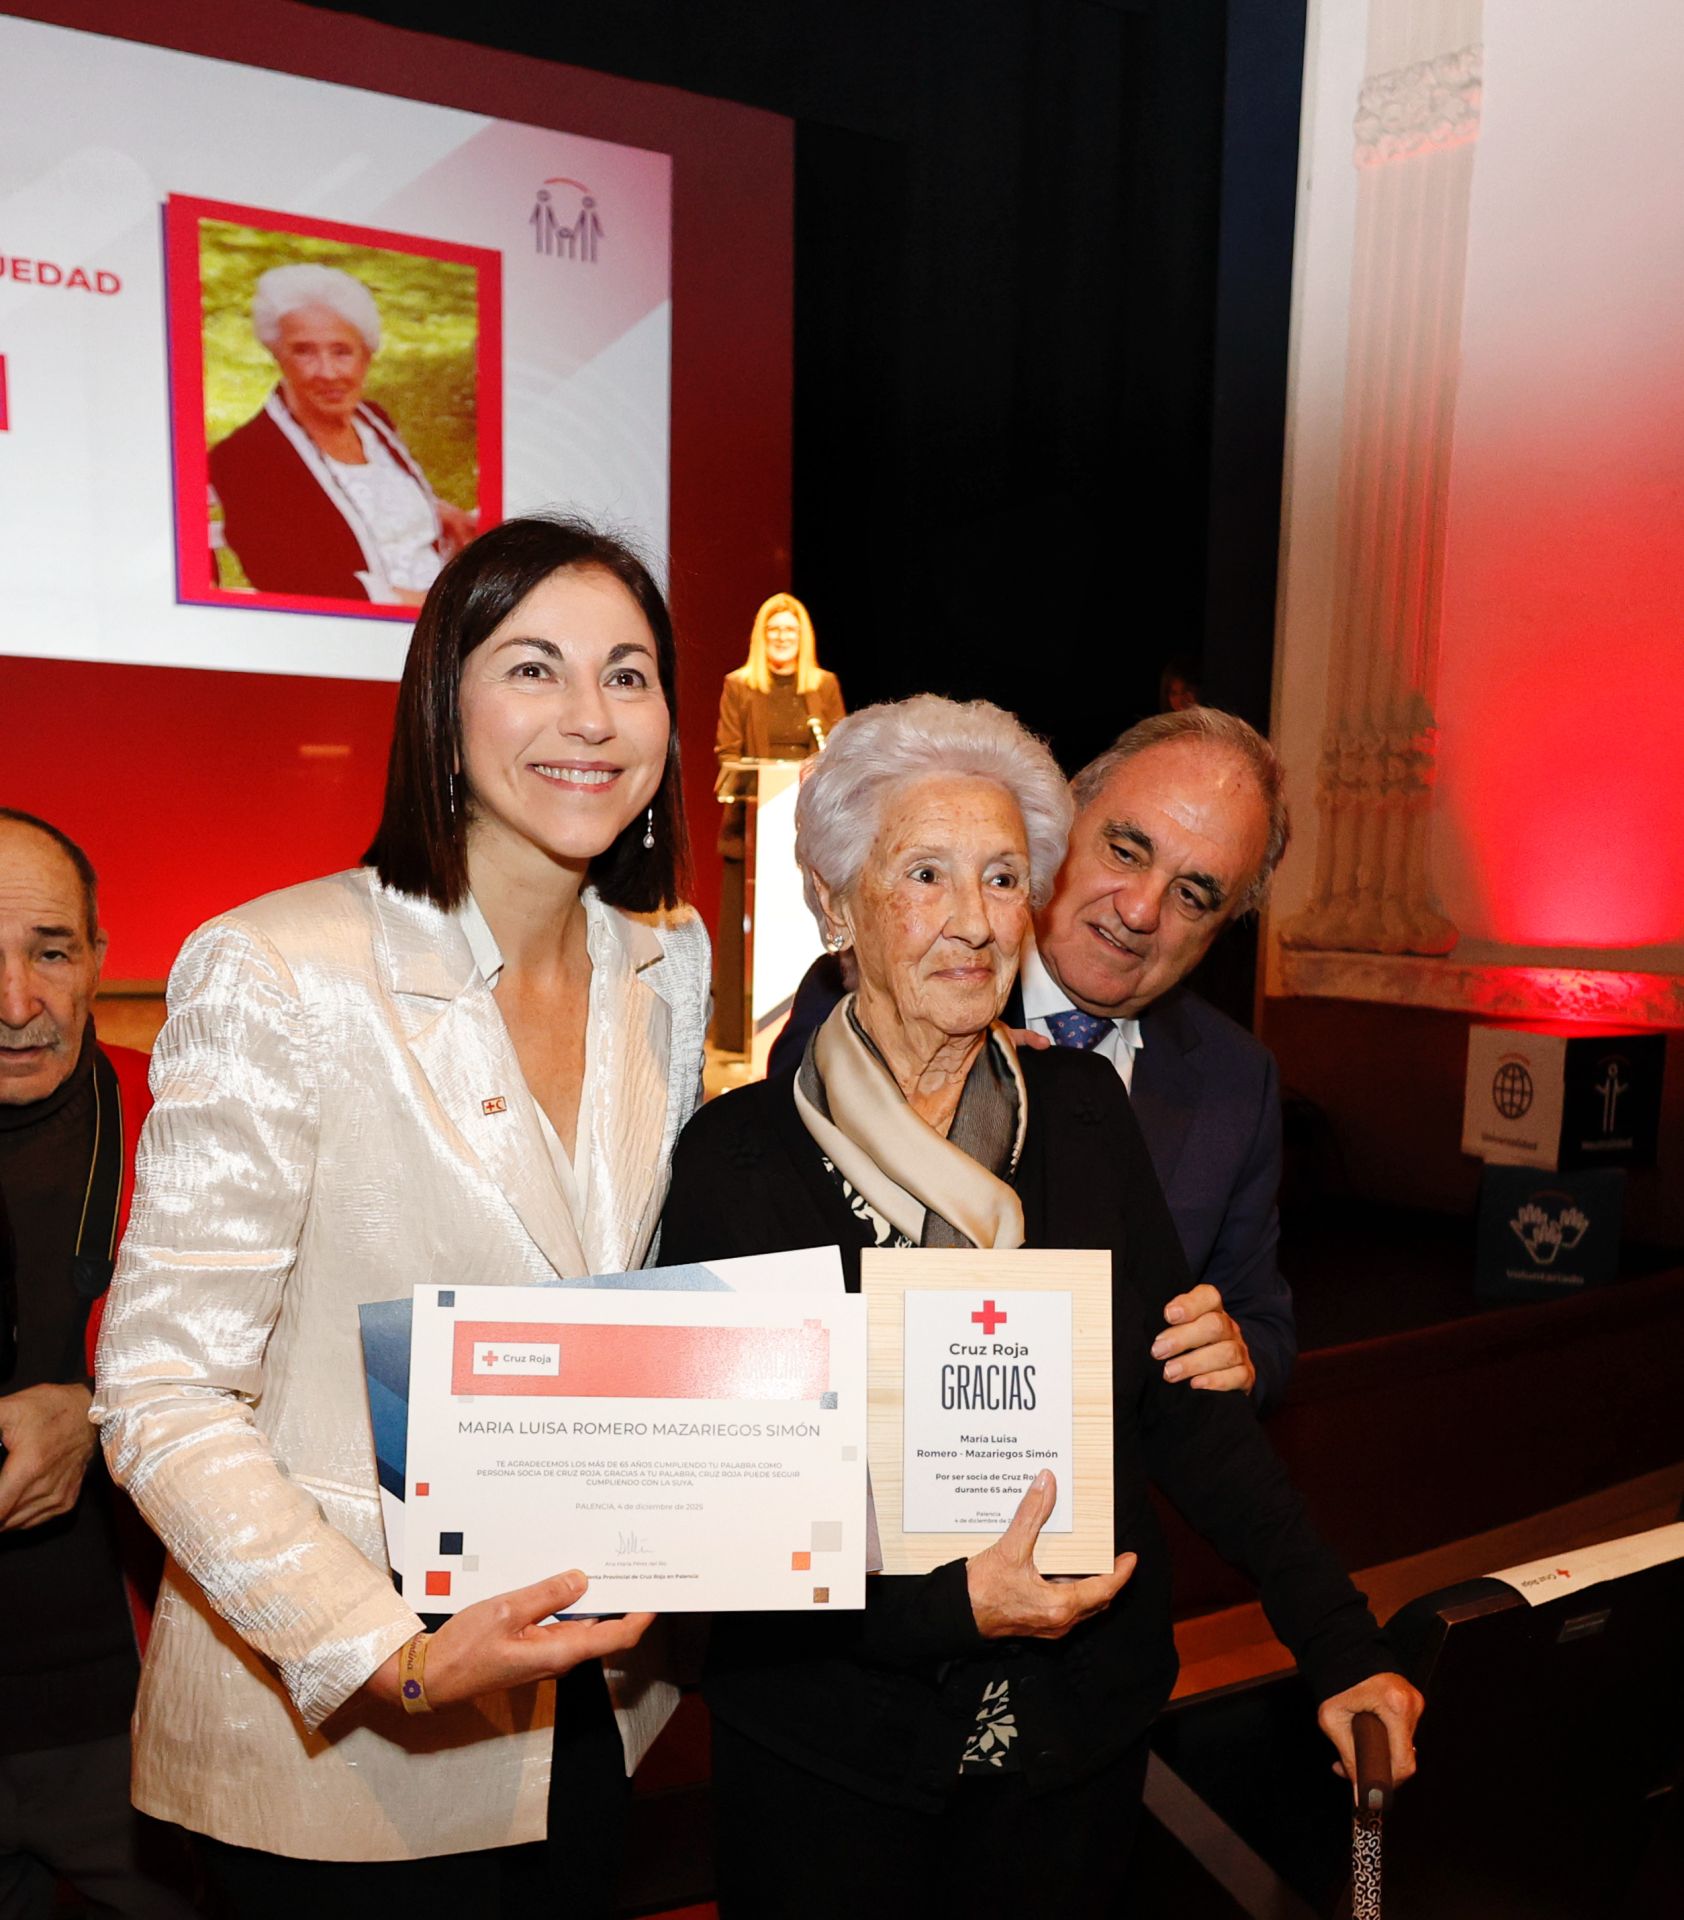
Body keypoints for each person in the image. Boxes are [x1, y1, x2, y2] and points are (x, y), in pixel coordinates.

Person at [659, 695, 1421, 1917]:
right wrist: (950, 1605)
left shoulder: (1080, 1115)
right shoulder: (734, 1161)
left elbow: (1187, 1413)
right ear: (841, 905)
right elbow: (723, 1526)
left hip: (1074, 1741)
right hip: (832, 1757)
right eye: (926, 874)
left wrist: (1341, 1644)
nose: (972, 921)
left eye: (1004, 876)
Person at [92, 517, 711, 1917]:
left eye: (629, 675)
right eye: (534, 669)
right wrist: (390, 1652)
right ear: (442, 706)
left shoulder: (667, 971)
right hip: (344, 1737)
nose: (589, 720)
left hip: (590, 1711)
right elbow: (161, 1388)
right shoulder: (278, 969)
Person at [770, 706, 1298, 1409]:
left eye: (1193, 895)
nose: (1141, 909)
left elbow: (1260, 1322)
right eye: (1126, 850)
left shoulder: (1237, 1082)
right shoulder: (878, 995)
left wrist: (1237, 1355)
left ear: (1221, 930)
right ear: (1061, 821)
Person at [0, 812, 194, 1919]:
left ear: (100, 958)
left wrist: (102, 1411)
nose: (18, 1003)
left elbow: (302, 1366)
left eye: (51, 951)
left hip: (138, 1728)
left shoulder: (189, 1121)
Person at [208, 262, 477, 606]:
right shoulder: (245, 457)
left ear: (366, 356)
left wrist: (433, 508)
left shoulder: (372, 420)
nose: (328, 372)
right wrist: (435, 608)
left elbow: (355, 500)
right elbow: (288, 579)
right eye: (303, 351)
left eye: (342, 351)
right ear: (277, 355)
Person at [711, 592, 845, 1052]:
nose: (782, 638)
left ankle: (810, 1028)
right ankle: (741, 1038)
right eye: (774, 631)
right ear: (760, 639)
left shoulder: (823, 686)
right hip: (754, 829)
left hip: (810, 828)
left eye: (790, 630)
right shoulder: (740, 685)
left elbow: (842, 753)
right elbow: (727, 754)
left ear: (802, 638)